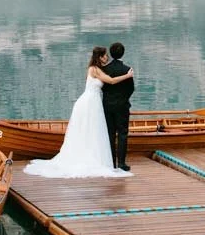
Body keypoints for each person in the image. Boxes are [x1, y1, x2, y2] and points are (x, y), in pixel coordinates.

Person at [24, 47, 132, 178]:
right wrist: (128, 75)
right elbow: (111, 81)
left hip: (95, 102)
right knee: (92, 129)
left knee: (93, 130)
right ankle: (99, 158)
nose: (106, 58)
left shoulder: (98, 69)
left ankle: (103, 157)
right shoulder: (94, 69)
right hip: (90, 102)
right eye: (104, 56)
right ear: (99, 57)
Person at [102, 41, 136, 172]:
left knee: (110, 133)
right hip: (122, 106)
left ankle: (111, 162)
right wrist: (123, 99)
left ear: (110, 54)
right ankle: (122, 163)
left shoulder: (105, 69)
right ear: (123, 53)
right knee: (122, 133)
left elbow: (103, 88)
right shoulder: (127, 70)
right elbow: (131, 89)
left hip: (107, 105)